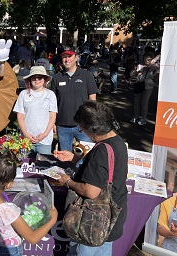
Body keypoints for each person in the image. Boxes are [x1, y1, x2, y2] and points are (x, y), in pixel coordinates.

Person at [53, 101, 128, 256]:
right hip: (109, 219)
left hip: (92, 222)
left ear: (93, 129)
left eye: (82, 128)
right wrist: (74, 158)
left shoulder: (101, 151)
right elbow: (106, 171)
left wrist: (67, 181)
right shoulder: (117, 142)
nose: (82, 131)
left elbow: (91, 191)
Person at [0, 151, 58, 255]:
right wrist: (53, 219)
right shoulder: (8, 211)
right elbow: (32, 238)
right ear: (9, 184)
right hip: (10, 250)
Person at [50, 47, 98, 151]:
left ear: (76, 57)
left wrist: (91, 120)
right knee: (65, 160)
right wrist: (52, 122)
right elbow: (52, 102)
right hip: (63, 126)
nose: (67, 60)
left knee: (86, 157)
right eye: (64, 57)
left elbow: (92, 100)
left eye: (69, 56)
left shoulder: (87, 75)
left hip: (83, 126)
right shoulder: (57, 77)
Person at [13, 66, 57, 157]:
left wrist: (44, 134)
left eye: (40, 77)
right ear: (30, 79)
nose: (37, 80)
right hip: (26, 140)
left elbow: (52, 116)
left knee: (44, 168)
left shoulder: (50, 95)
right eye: (34, 77)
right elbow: (20, 116)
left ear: (44, 79)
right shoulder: (23, 94)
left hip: (45, 140)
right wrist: (26, 133)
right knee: (25, 168)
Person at [130, 52, 160, 126]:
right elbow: (132, 75)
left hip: (148, 87)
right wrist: (136, 72)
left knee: (144, 103)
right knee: (136, 102)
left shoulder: (154, 68)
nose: (147, 61)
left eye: (149, 60)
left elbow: (156, 80)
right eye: (146, 59)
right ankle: (136, 116)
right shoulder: (140, 66)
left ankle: (143, 119)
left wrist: (154, 76)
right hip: (139, 85)